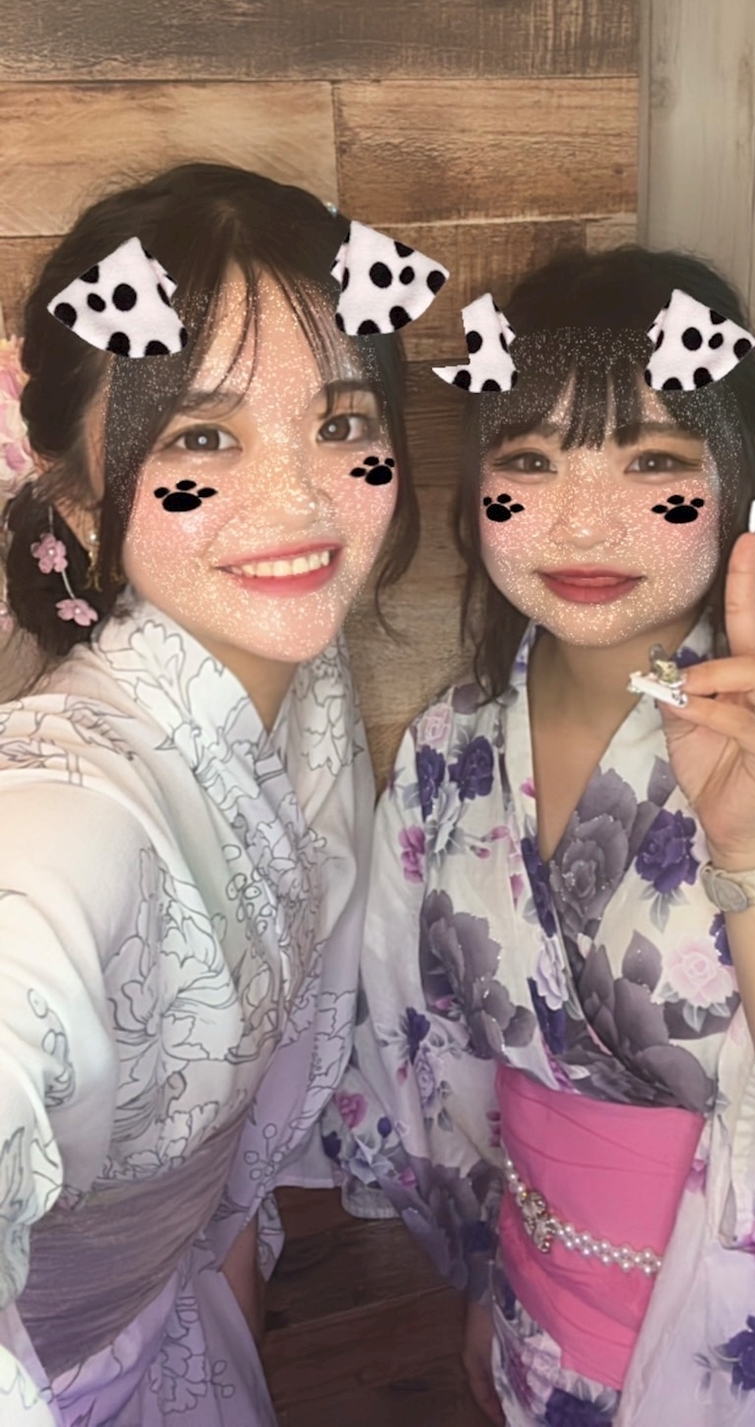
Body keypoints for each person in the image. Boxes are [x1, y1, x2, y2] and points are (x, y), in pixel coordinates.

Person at [323, 246, 755, 1425]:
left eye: (653, 461)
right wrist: (488, 1275)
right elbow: (421, 1059)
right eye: (532, 461)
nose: (587, 522)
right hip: (534, 1327)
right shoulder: (451, 749)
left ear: (741, 477)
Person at [0, 162, 423, 1425]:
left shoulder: (303, 682)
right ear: (75, 492)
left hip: (188, 1319)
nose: (299, 500)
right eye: (201, 436)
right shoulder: (61, 810)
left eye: (342, 424)